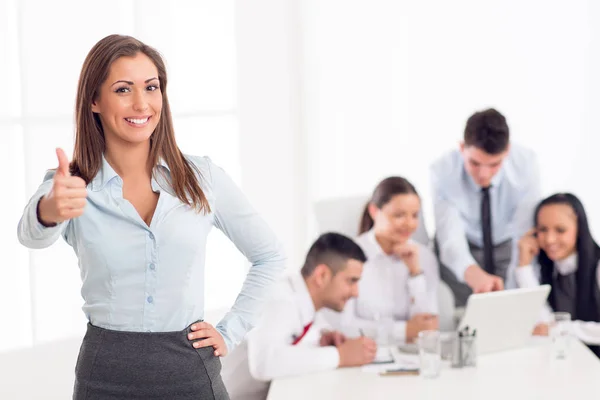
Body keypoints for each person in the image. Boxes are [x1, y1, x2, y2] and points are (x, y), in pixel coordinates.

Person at [17, 34, 286, 399]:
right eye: (124, 89)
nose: (142, 103)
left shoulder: (202, 178)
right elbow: (32, 235)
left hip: (190, 371)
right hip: (104, 376)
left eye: (152, 87)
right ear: (94, 100)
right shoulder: (70, 185)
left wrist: (231, 329)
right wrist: (48, 209)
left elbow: (269, 255)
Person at [220, 232, 375, 400]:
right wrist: (340, 356)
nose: (356, 292)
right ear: (321, 275)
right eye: (351, 281)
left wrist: (322, 337)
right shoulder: (280, 300)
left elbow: (292, 336)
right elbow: (263, 363)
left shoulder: (302, 300)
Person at [430, 108, 541, 306]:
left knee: (512, 305)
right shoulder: (442, 170)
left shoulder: (526, 164)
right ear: (462, 147)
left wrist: (515, 290)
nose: (484, 174)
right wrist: (473, 274)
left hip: (506, 245)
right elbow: (450, 239)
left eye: (494, 164)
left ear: (507, 150)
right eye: (475, 163)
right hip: (464, 247)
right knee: (466, 313)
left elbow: (523, 236)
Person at [333, 177, 439, 344]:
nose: (409, 224)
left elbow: (428, 326)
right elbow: (345, 325)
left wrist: (415, 273)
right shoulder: (348, 256)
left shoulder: (424, 256)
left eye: (414, 215)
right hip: (365, 355)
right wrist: (403, 331)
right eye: (399, 215)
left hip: (412, 357)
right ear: (374, 211)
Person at [516, 193, 600, 357]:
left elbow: (553, 328)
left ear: (579, 230)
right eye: (542, 230)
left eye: (560, 230)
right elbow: (544, 324)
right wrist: (524, 267)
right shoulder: (552, 269)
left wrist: (563, 328)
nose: (549, 239)